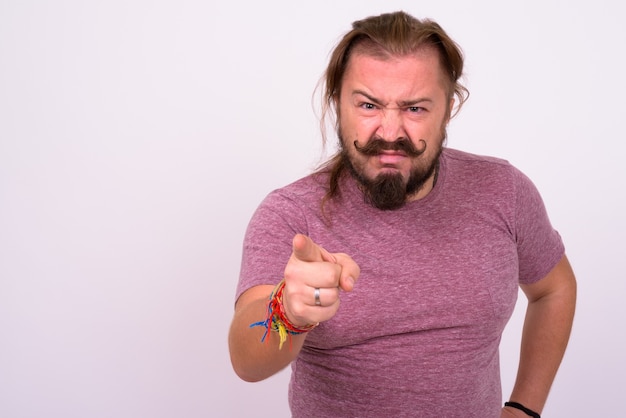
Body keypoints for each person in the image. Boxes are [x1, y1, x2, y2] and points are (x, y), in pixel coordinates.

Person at [228, 10, 576, 418]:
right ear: (338, 103)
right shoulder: (291, 215)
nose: (390, 132)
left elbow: (555, 290)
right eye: (369, 105)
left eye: (414, 109)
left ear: (448, 109)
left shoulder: (504, 190)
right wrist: (287, 311)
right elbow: (245, 361)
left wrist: (523, 408)